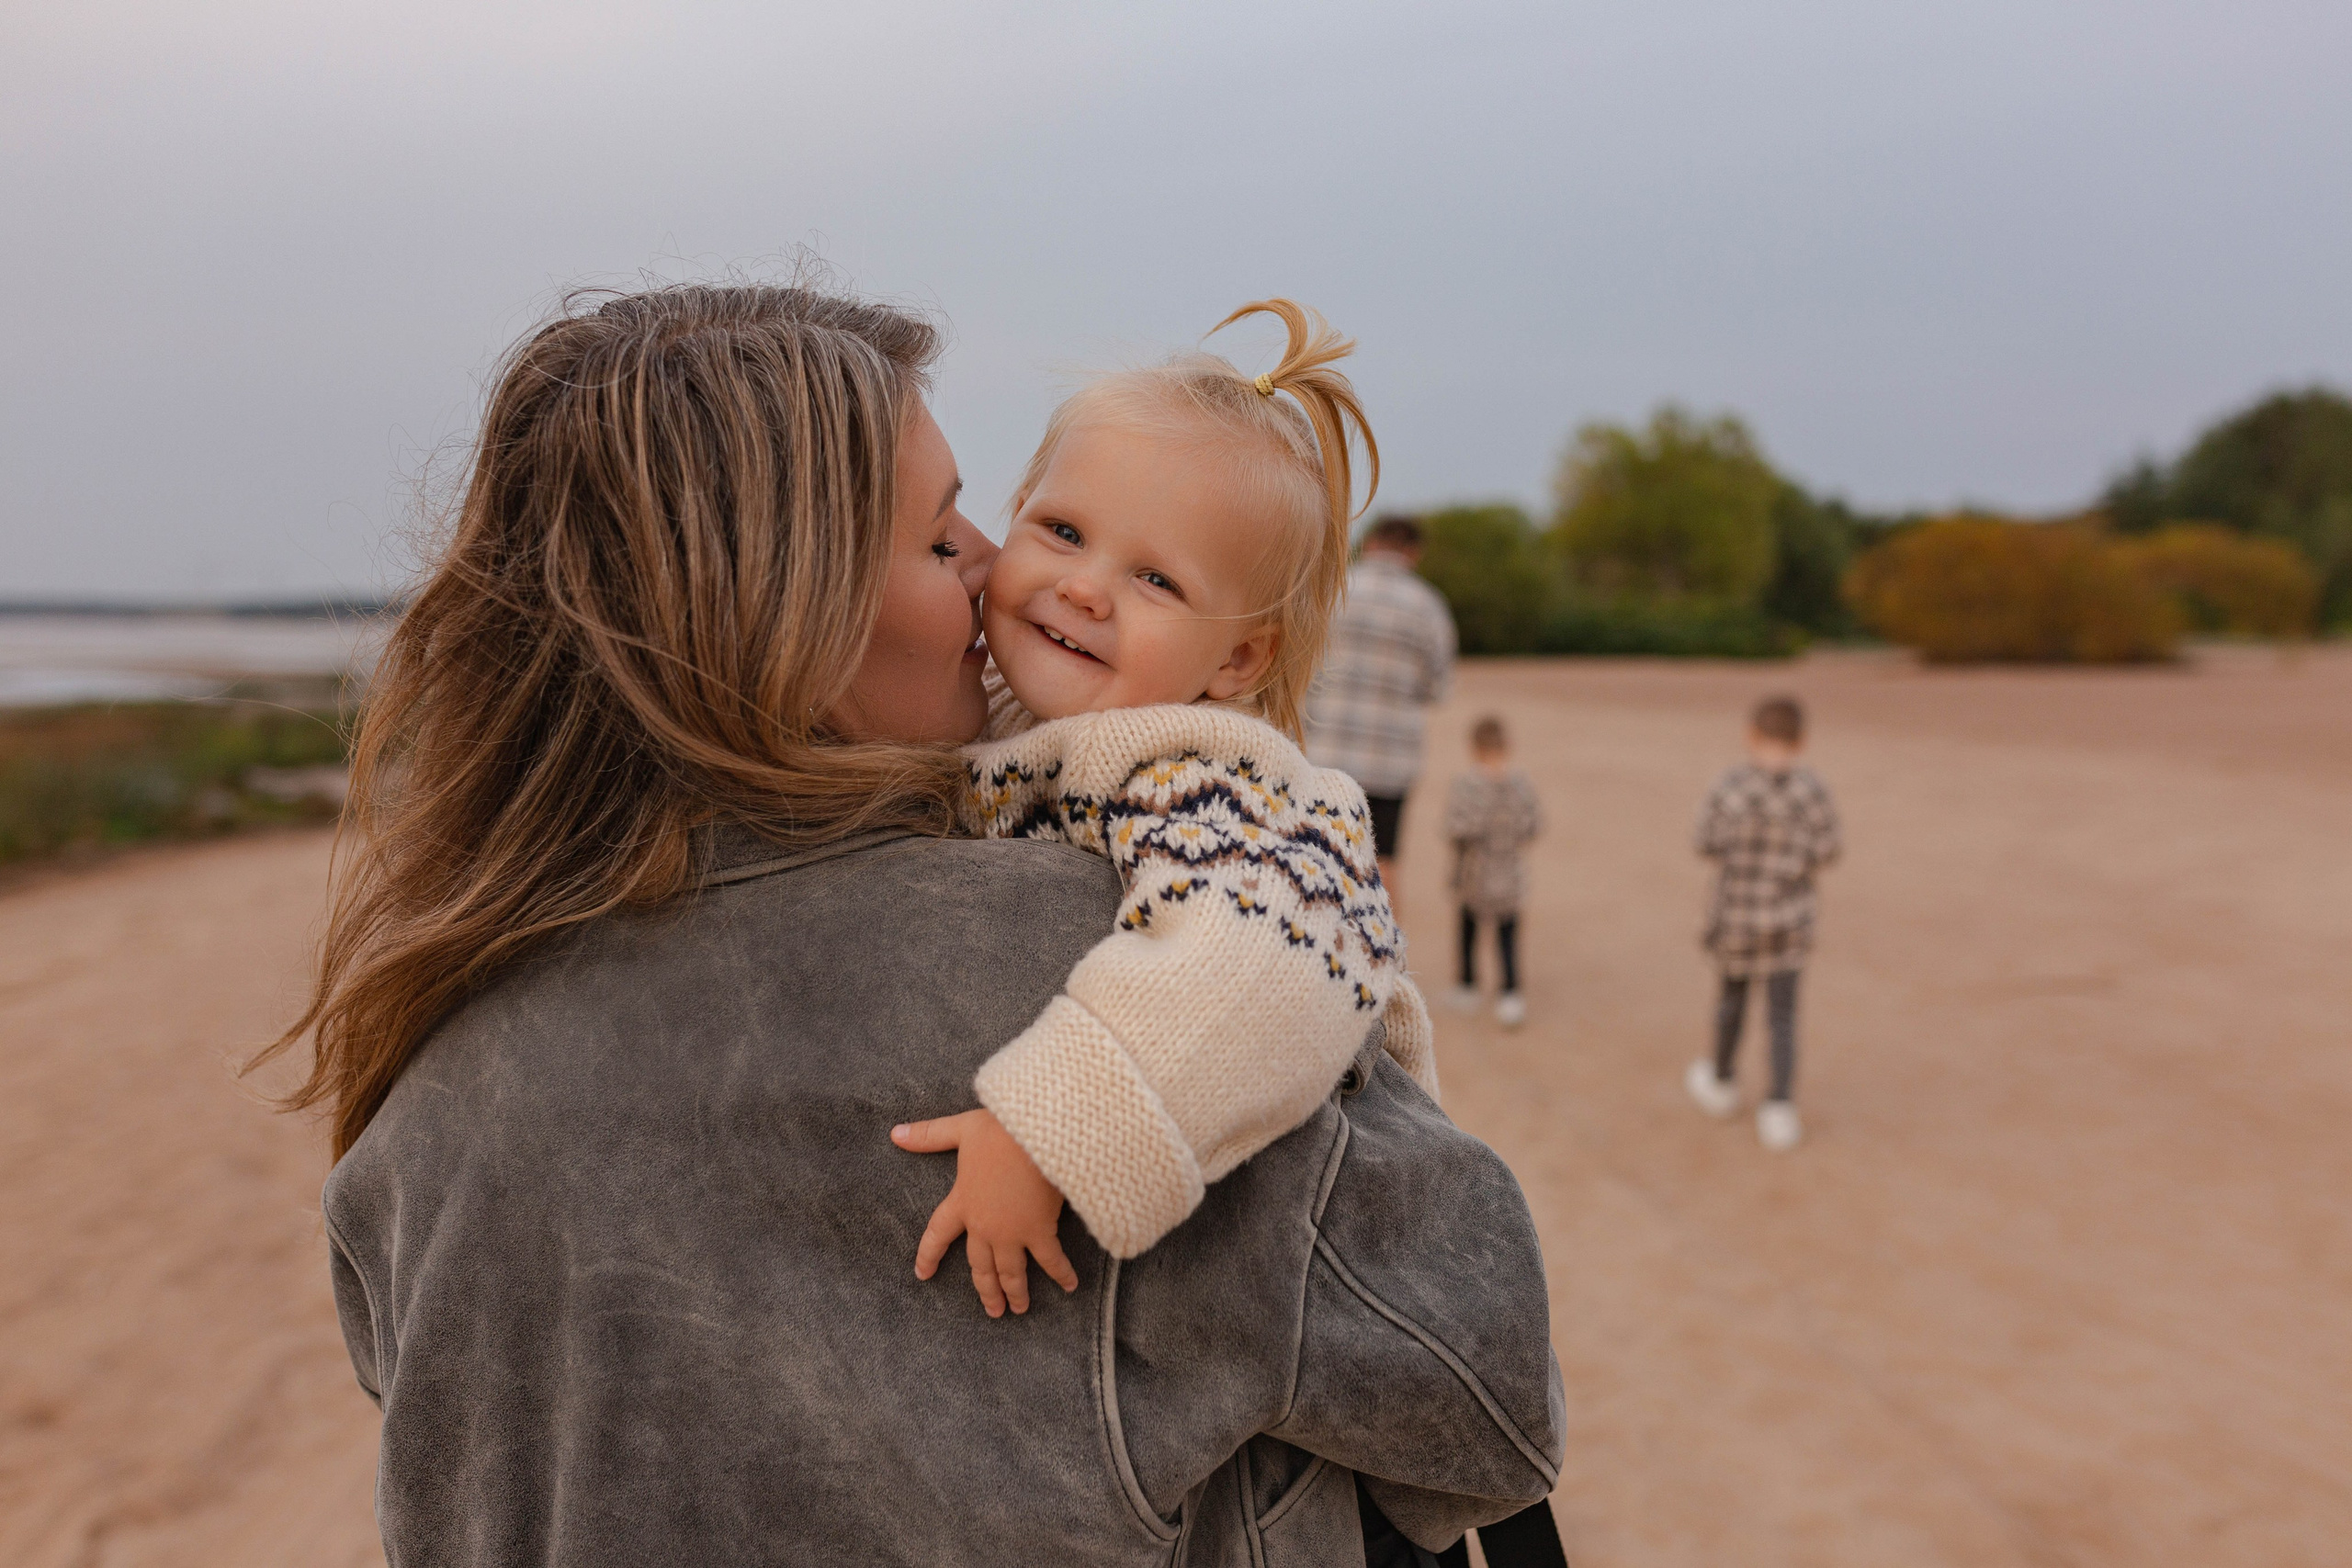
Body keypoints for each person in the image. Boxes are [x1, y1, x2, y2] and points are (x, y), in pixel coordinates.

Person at [258, 282, 1564, 1564]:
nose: (1008, 570)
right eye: (953, 539)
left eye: (1150, 572)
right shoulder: (1079, 961)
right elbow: (1490, 1402)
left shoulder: (432, 1058)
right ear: (786, 610)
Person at [899, 299, 1439, 1297]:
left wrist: (1051, 1125)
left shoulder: (1199, 774)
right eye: (1061, 531)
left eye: (1155, 579)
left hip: (1321, 1209)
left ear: (1238, 658)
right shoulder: (1000, 710)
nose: (1086, 588)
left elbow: (1271, 959)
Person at [1684, 694, 1843, 1151]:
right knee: (1782, 1016)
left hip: (1736, 918)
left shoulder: (1729, 786)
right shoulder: (1811, 790)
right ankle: (1779, 1106)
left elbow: (1704, 841)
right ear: (1801, 741)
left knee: (1731, 1004)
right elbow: (1829, 847)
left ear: (1751, 736)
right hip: (1788, 925)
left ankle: (1721, 1081)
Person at [1304, 513, 1456, 892]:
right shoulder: (1429, 606)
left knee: (1312, 858)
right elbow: (1437, 689)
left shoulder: (1332, 589)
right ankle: (1380, 950)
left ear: (1370, 543)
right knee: (1382, 865)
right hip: (1391, 761)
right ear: (1413, 552)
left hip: (1321, 752)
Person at [1442, 716, 1542, 1030]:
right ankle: (1509, 993)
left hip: (1476, 873)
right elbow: (1533, 826)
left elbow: (1454, 826)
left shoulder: (1467, 785)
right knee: (1506, 933)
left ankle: (1469, 985)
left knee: (1471, 929)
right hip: (1508, 873)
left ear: (1474, 748)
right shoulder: (1521, 785)